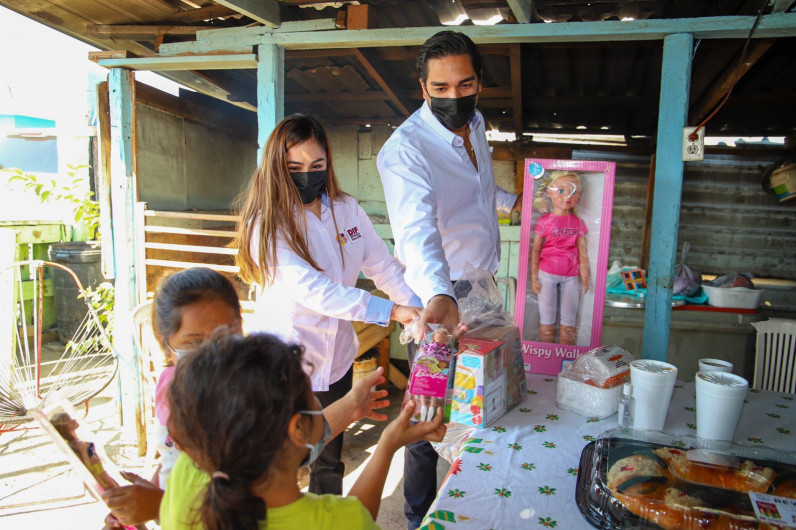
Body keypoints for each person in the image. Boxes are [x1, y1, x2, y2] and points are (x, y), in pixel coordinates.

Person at [101, 268, 392, 527]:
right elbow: (172, 457)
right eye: (195, 342)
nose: (217, 352)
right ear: (167, 346)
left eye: (227, 335)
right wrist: (150, 499)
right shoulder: (173, 392)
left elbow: (296, 440)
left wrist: (160, 505)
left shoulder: (252, 386)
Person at [376, 30, 520, 528]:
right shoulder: (406, 150)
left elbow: (480, 191)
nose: (453, 97)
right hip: (442, 299)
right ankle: (418, 518)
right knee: (428, 415)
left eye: (465, 85)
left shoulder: (475, 124)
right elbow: (416, 231)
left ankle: (478, 506)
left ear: (479, 82)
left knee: (484, 403)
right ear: (423, 87)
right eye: (440, 88)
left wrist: (516, 204)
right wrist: (440, 294)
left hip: (482, 290)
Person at [235, 114, 421, 495]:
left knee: (329, 460)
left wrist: (419, 309)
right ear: (277, 167)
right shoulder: (266, 223)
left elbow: (382, 266)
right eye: (295, 168)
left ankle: (328, 515)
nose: (308, 175)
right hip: (287, 366)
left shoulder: (345, 210)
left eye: (317, 165)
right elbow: (314, 290)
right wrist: (390, 311)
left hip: (336, 362)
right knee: (281, 463)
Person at [160, 332, 446, 529]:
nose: (319, 404)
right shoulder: (340, 521)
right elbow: (358, 519)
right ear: (298, 428)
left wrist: (349, 409)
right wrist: (387, 444)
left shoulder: (187, 475)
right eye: (310, 395)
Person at [530, 171, 589, 345]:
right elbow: (535, 250)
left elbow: (582, 251)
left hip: (571, 275)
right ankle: (545, 353)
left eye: (574, 192)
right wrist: (534, 277)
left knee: (569, 322)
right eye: (561, 190)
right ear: (549, 192)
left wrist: (585, 273)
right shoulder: (544, 221)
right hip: (547, 273)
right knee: (547, 320)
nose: (567, 197)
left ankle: (565, 355)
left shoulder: (577, 223)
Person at [51, 412, 119, 491]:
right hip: (101, 476)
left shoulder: (75, 443)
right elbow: (89, 468)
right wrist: (103, 484)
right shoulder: (79, 445)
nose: (74, 420)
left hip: (102, 474)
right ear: (65, 427)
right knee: (118, 492)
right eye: (70, 421)